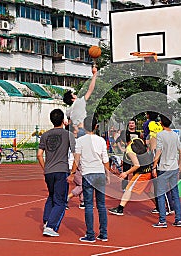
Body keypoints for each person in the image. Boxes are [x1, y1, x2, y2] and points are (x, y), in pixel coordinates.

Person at [37, 109, 76, 237]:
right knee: (61, 201)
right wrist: (73, 172)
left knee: (52, 195)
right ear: (63, 120)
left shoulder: (45, 135)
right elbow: (76, 155)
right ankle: (51, 226)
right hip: (61, 170)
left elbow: (39, 155)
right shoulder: (68, 135)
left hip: (49, 171)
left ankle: (47, 220)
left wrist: (45, 168)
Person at [72, 115, 110, 243]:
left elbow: (76, 159)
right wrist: (108, 174)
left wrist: (72, 172)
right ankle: (103, 233)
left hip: (88, 173)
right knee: (101, 205)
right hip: (99, 173)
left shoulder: (80, 141)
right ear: (96, 126)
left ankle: (90, 234)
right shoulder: (101, 140)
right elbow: (105, 159)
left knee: (88, 205)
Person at [108, 138, 155, 216]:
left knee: (128, 189)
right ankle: (160, 207)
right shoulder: (138, 140)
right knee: (148, 191)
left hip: (142, 172)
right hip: (148, 170)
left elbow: (137, 165)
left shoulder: (129, 150)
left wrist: (126, 173)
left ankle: (120, 209)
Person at [152, 114, 181, 228]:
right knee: (175, 193)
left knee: (160, 194)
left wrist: (154, 166)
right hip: (173, 167)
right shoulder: (175, 135)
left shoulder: (160, 135)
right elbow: (180, 151)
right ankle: (178, 219)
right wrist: (179, 164)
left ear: (161, 123)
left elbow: (159, 151)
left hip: (164, 168)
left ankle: (162, 220)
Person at [63, 67, 97, 138]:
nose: (75, 95)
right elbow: (90, 90)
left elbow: (69, 123)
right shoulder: (79, 102)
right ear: (72, 99)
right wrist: (94, 74)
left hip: (74, 132)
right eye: (73, 95)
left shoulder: (68, 111)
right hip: (82, 130)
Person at [115, 119, 141, 190]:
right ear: (128, 125)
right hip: (127, 154)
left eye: (133, 123)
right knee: (126, 170)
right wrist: (121, 149)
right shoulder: (125, 132)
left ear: (135, 125)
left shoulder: (138, 133)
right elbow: (117, 140)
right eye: (130, 123)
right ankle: (124, 187)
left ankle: (134, 187)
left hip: (136, 154)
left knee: (136, 171)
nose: (131, 125)